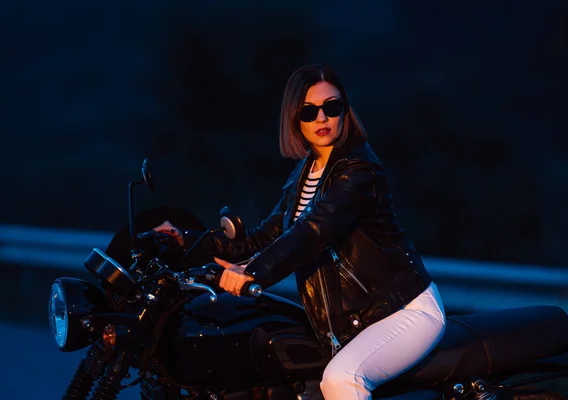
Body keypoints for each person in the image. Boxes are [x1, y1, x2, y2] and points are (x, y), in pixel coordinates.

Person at [154, 64, 446, 400]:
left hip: (403, 311)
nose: (321, 119)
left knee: (341, 378)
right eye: (310, 112)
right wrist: (184, 241)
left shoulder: (359, 169)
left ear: (345, 112)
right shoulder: (303, 174)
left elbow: (312, 232)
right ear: (295, 119)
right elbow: (264, 238)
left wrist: (253, 272)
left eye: (332, 107)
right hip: (356, 325)